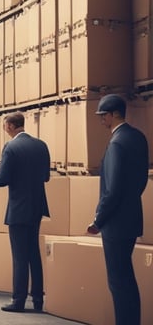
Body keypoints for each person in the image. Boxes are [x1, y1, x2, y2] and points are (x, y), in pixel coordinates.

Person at [86, 94, 149, 325]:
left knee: (118, 281)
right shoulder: (138, 138)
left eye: (103, 116)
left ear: (113, 115)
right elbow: (141, 180)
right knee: (127, 279)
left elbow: (111, 190)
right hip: (132, 217)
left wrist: (97, 221)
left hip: (115, 223)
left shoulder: (115, 143)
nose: (101, 120)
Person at [0, 112, 51, 313]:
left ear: (11, 126)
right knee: (34, 254)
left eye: (5, 126)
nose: (4, 129)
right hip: (37, 206)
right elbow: (46, 176)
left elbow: (4, 177)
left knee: (19, 256)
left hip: (18, 207)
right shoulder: (41, 145)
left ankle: (19, 301)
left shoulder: (11, 147)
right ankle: (39, 300)